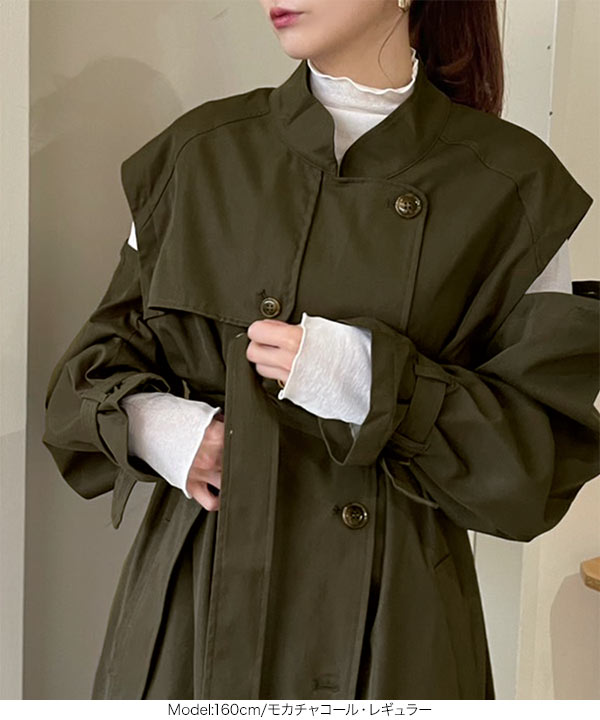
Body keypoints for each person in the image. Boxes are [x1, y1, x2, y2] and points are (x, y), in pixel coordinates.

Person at [42, 0, 599, 701]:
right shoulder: (198, 155)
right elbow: (82, 385)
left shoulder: (512, 186)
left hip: (394, 628)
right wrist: (169, 431)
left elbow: (534, 470)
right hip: (198, 613)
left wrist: (371, 381)